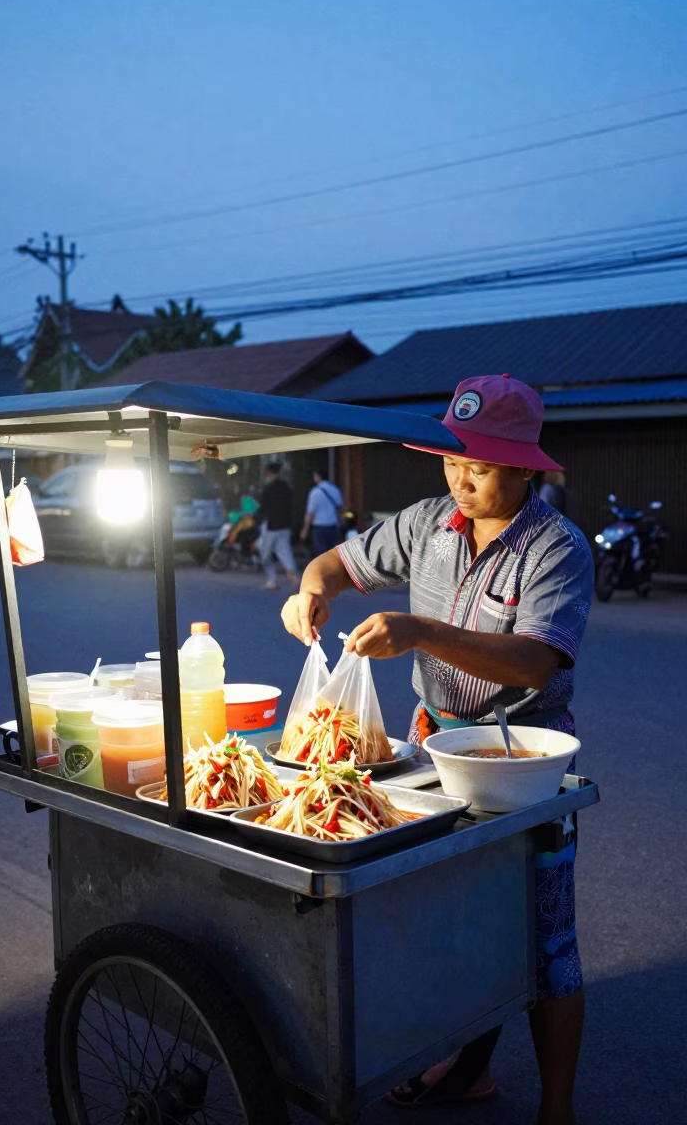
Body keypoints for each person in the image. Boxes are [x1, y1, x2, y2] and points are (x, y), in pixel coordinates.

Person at [281, 374, 593, 1125]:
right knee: (450, 914)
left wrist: (417, 631)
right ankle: (468, 1069)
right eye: (453, 460)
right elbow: (337, 565)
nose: (461, 478)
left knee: (543, 936)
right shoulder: (428, 521)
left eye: (479, 467)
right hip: (428, 742)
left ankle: (558, 1108)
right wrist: (310, 589)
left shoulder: (557, 548)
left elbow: (533, 662)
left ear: (524, 468)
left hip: (519, 754)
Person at [257, 462, 298, 591]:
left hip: (271, 526)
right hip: (285, 525)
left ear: (269, 474)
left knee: (265, 554)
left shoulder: (268, 489)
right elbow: (292, 506)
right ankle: (294, 577)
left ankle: (272, 580)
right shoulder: (286, 487)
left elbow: (263, 508)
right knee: (285, 552)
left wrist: (255, 520)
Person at [301, 467, 343, 557]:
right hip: (333, 525)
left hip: (320, 527)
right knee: (333, 553)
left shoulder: (315, 492)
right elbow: (339, 508)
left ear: (318, 477)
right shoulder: (335, 490)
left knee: (321, 554)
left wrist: (305, 529)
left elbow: (310, 513)